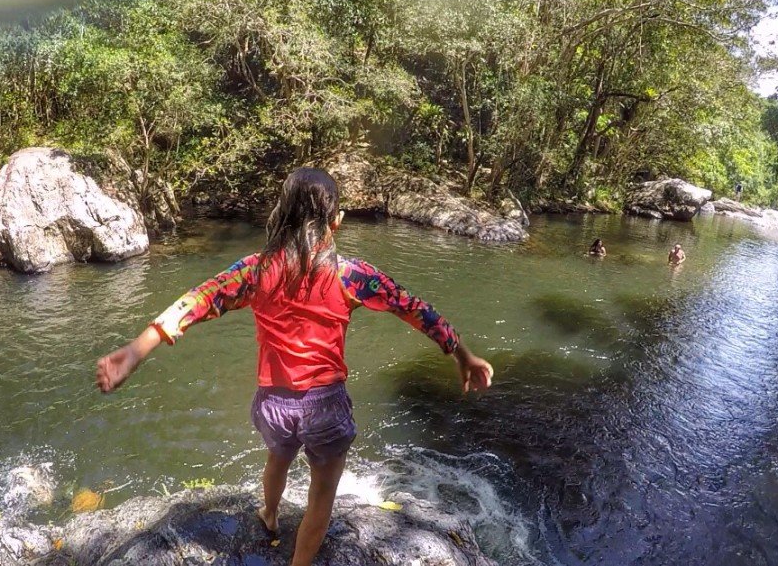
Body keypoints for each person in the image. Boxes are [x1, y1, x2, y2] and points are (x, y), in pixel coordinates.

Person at [95, 167, 494, 566]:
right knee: (321, 497)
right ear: (336, 221)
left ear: (280, 214)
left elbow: (199, 299)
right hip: (326, 406)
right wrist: (463, 355)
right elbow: (414, 309)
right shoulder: (351, 275)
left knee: (278, 458)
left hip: (273, 405)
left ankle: (268, 515)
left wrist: (135, 350)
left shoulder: (256, 269)